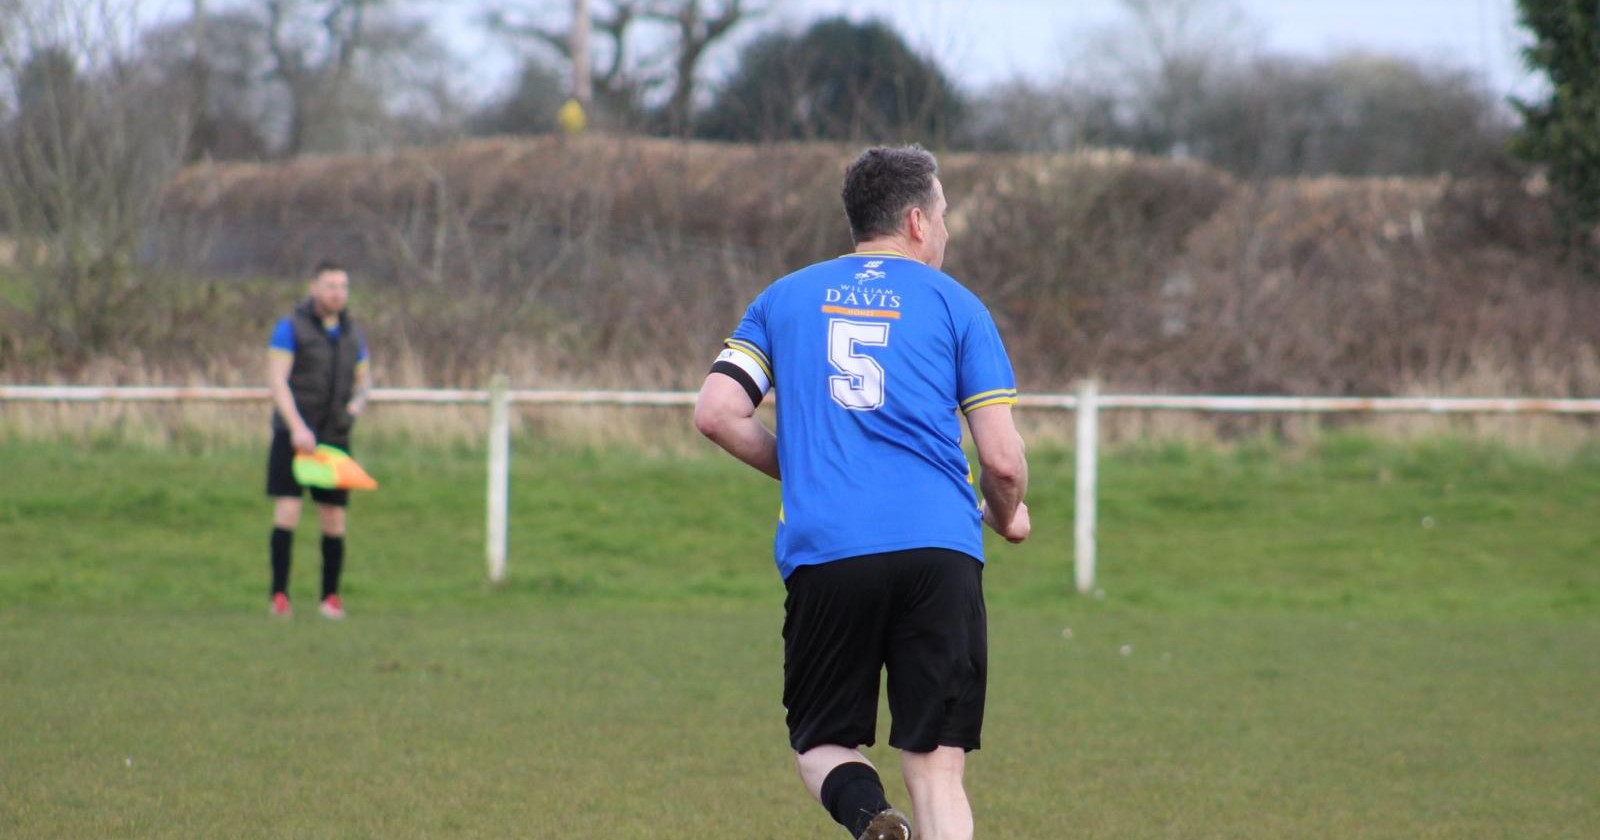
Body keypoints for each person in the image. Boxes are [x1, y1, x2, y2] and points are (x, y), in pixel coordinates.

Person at [694, 145, 1030, 840]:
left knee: (820, 743)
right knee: (936, 766)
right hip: (939, 550)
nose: (947, 231)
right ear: (915, 220)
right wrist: (1009, 515)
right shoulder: (956, 305)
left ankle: (870, 818)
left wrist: (815, 467)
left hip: (830, 549)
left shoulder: (782, 297)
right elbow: (1000, 460)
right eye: (944, 216)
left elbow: (716, 412)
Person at [265, 260, 370, 619]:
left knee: (334, 518)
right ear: (314, 288)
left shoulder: (352, 332)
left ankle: (330, 598)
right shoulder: (289, 328)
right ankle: (279, 596)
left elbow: (364, 378)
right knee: (288, 512)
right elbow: (277, 380)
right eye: (329, 285)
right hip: (294, 437)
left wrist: (355, 408)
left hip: (333, 437)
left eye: (342, 286)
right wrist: (296, 426)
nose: (337, 293)